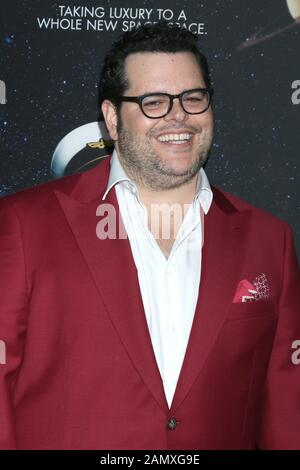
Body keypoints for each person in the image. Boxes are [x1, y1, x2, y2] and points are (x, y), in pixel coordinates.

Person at [0, 22, 299, 450]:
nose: (179, 116)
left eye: (193, 98)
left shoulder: (271, 240)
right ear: (111, 119)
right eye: (153, 102)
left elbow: (287, 415)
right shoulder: (22, 225)